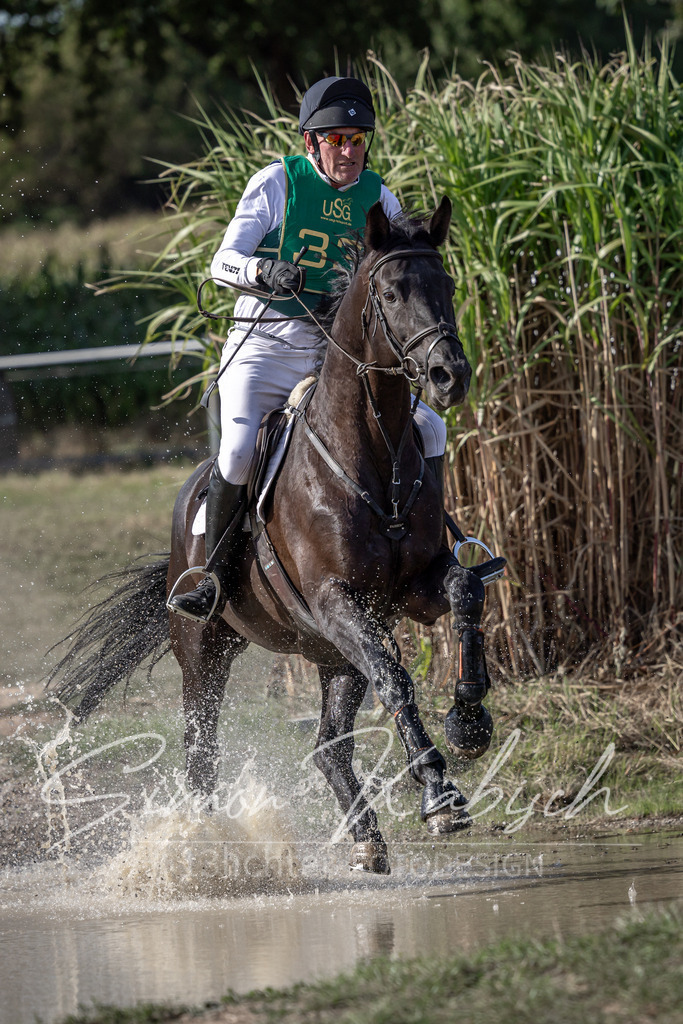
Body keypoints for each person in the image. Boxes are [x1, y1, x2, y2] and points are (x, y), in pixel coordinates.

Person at [168, 76, 448, 622]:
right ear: (311, 142)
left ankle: (434, 552)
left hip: (332, 358)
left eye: (357, 139)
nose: (348, 150)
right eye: (336, 139)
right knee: (240, 448)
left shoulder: (378, 196)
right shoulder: (278, 183)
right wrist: (262, 270)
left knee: (432, 429)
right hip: (265, 346)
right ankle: (213, 578)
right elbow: (221, 262)